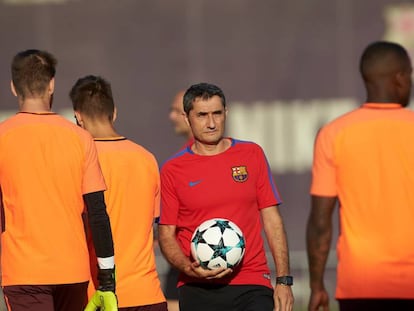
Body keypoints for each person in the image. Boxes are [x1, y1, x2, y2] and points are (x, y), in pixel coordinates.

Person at [158, 82, 294, 311]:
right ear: (187, 118)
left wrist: (283, 280)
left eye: (217, 114)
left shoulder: (252, 154)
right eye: (202, 115)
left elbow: (272, 220)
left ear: (226, 113)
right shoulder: (173, 170)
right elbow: (166, 235)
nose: (211, 123)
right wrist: (189, 267)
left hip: (251, 282)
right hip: (197, 287)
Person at [0, 49, 116, 311]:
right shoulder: (80, 138)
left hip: (23, 272)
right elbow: (98, 212)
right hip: (72, 272)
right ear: (51, 84)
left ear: (13, 87)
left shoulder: (2, 137)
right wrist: (107, 279)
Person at [307, 40, 414, 311]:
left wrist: (317, 285)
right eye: (410, 75)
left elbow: (320, 223)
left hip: (360, 284)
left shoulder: (334, 133)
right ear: (400, 78)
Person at [70, 75, 168, 311]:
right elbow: (152, 227)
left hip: (97, 299)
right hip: (148, 296)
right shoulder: (147, 159)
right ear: (114, 112)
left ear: (77, 117)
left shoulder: (77, 161)